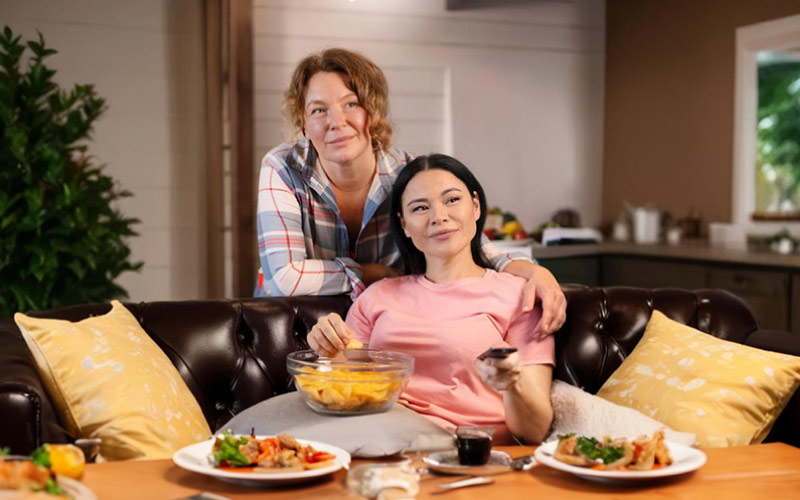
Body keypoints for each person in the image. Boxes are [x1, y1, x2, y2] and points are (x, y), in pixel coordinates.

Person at [255, 47, 566, 336]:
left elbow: (471, 246)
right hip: (299, 324)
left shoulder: (410, 172)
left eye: (351, 104)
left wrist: (537, 274)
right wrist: (372, 273)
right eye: (318, 110)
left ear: (372, 111)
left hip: (390, 322)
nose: (337, 121)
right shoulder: (283, 167)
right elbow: (285, 277)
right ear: (304, 123)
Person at [307, 154, 554, 444]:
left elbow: (535, 430)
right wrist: (328, 348)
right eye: (420, 207)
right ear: (405, 225)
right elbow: (347, 390)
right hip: (378, 438)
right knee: (269, 421)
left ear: (475, 206)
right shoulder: (376, 297)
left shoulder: (520, 296)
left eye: (451, 200)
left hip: (465, 448)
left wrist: (514, 384)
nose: (439, 216)